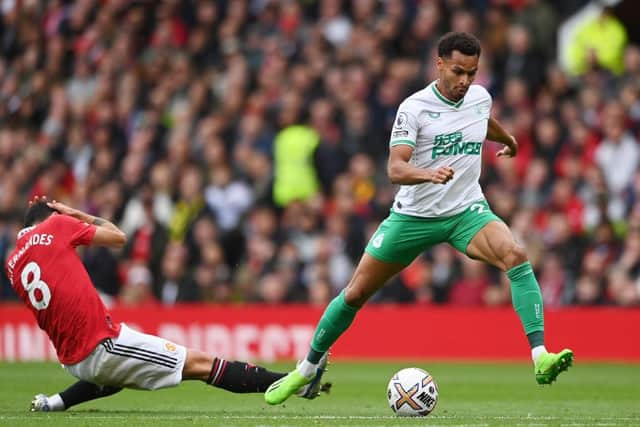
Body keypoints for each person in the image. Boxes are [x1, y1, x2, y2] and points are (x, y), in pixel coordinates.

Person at [264, 32, 573, 405]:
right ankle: (306, 370)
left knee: (516, 255)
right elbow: (395, 168)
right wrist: (429, 174)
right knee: (355, 293)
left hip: (464, 211)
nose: (464, 81)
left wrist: (507, 139)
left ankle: (540, 357)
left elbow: (480, 120)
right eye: (458, 71)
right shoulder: (414, 108)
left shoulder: (478, 96)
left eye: (472, 73)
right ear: (439, 63)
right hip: (413, 217)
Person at [5, 197, 327, 412]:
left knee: (120, 374)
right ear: (53, 216)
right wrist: (80, 216)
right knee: (201, 364)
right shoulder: (57, 225)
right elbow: (118, 238)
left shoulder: (12, 263)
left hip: (73, 360)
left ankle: (54, 403)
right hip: (101, 346)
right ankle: (298, 382)